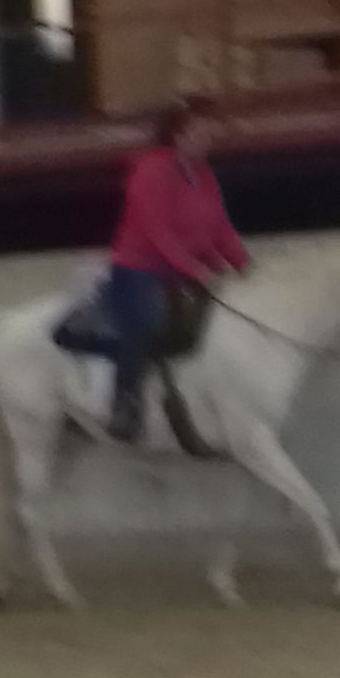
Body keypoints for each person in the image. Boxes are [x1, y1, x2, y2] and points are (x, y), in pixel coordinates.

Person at [107, 95, 251, 441]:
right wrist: (196, 271)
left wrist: (244, 264)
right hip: (141, 269)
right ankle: (125, 399)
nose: (207, 139)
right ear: (178, 134)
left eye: (210, 133)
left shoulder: (204, 176)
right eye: (200, 132)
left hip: (188, 270)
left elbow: (219, 228)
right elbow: (158, 233)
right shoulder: (150, 171)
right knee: (148, 318)